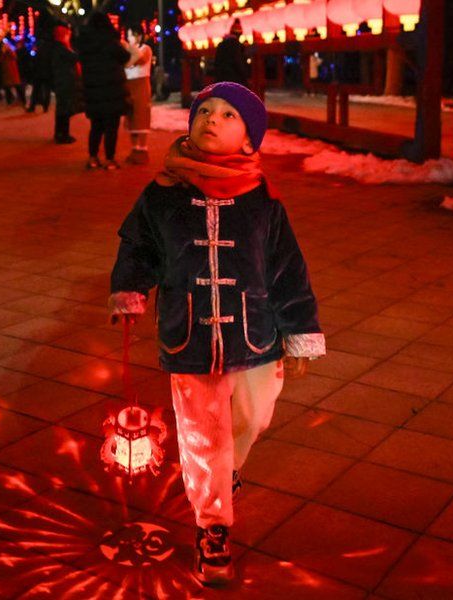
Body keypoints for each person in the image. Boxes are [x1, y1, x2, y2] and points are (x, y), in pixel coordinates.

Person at [109, 82, 325, 586]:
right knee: (204, 436)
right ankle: (213, 524)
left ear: (250, 140)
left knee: (252, 418)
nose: (212, 118)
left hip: (256, 336)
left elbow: (288, 269)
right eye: (204, 110)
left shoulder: (264, 202)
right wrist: (130, 289)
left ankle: (224, 473)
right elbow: (137, 247)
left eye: (229, 114)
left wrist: (300, 333)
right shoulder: (162, 194)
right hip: (190, 338)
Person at [75, 11, 129, 170]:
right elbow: (125, 57)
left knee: (96, 126)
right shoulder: (110, 42)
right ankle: (110, 159)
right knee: (111, 127)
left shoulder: (84, 44)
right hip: (112, 91)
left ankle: (92, 158)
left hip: (93, 91)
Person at [122, 25, 153, 165]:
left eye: (132, 35)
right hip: (129, 87)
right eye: (127, 36)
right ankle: (134, 149)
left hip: (141, 86)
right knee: (131, 118)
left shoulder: (145, 49)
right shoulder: (129, 51)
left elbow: (139, 60)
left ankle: (143, 149)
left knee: (141, 117)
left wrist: (128, 53)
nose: (129, 39)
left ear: (139, 36)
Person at [51, 23, 79, 144]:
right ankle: (63, 134)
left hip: (61, 81)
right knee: (64, 109)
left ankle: (60, 133)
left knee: (62, 109)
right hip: (64, 82)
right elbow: (75, 57)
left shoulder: (57, 48)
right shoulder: (61, 48)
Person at [212, 20, 250, 86]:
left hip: (221, 81)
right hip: (234, 81)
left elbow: (216, 63)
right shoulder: (236, 45)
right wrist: (245, 76)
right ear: (239, 34)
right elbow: (238, 63)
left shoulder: (221, 45)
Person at [26, 34, 53, 113]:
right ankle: (45, 106)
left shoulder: (36, 52)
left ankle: (32, 106)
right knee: (46, 90)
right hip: (47, 73)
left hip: (38, 74)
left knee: (36, 91)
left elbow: (33, 63)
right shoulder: (48, 51)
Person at [0, 32, 23, 106]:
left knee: (16, 86)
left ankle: (20, 100)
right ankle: (10, 100)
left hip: (12, 72)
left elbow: (14, 57)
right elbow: (1, 61)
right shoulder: (3, 54)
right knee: (8, 88)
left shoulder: (11, 53)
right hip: (7, 73)